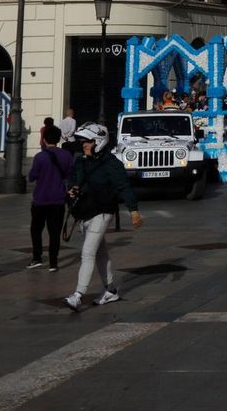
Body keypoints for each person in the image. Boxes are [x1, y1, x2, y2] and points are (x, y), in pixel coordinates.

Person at [63, 122, 142, 312]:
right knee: (100, 253)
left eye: (88, 142)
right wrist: (71, 189)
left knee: (87, 252)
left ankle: (78, 295)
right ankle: (111, 290)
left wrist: (133, 210)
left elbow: (123, 186)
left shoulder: (112, 164)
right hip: (84, 212)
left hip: (103, 211)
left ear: (98, 141)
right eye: (83, 142)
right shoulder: (81, 161)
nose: (84, 145)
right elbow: (72, 179)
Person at [28, 124, 73, 272]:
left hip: (40, 199)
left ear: (45, 139)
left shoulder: (40, 157)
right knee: (54, 232)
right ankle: (53, 263)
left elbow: (32, 176)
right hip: (58, 199)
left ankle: (37, 258)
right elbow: (69, 175)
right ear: (59, 138)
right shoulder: (66, 155)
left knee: (36, 229)